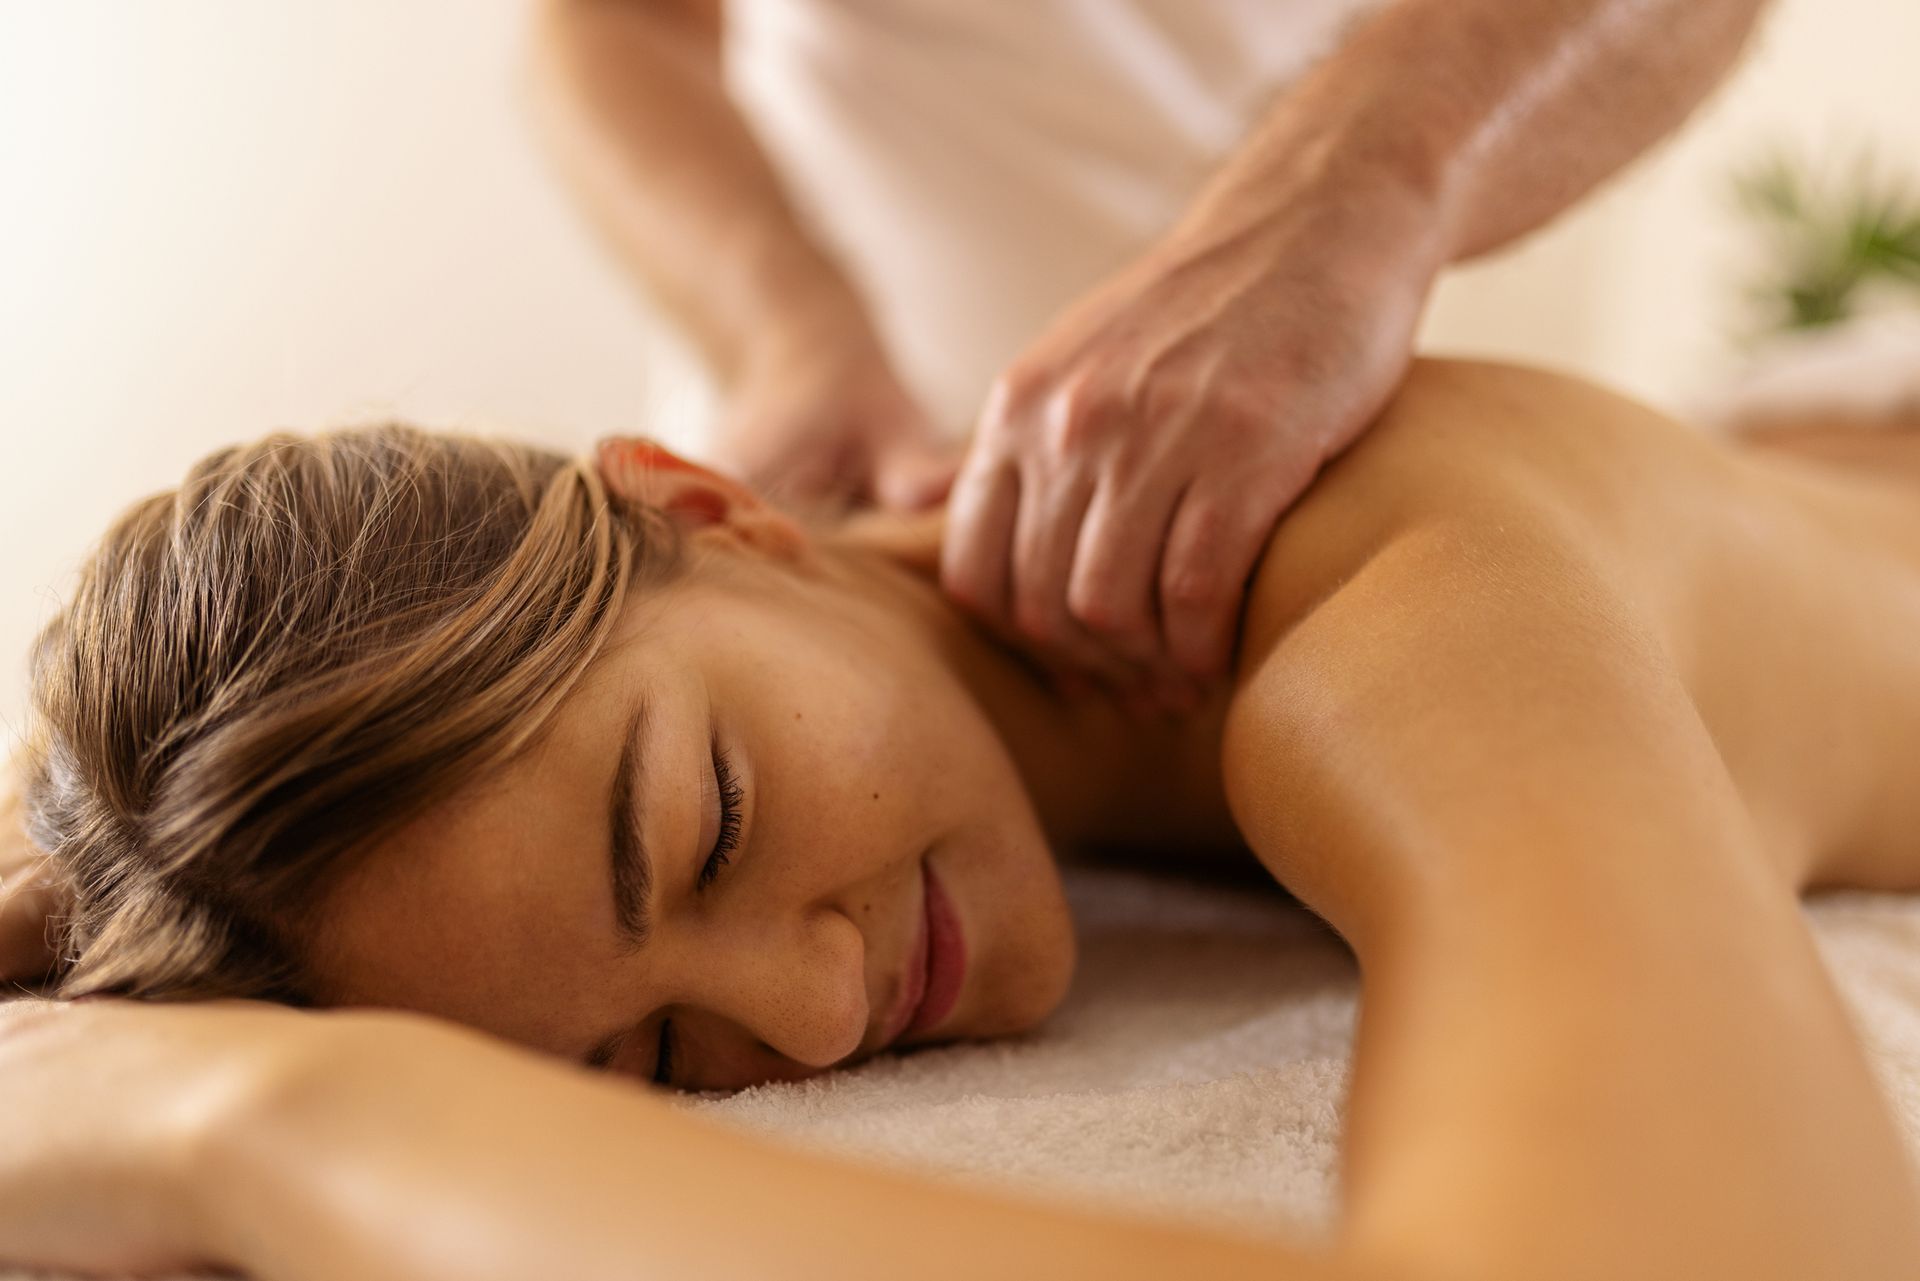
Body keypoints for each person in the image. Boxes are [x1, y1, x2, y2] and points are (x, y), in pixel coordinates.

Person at [2, 357, 1919, 1278]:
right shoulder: (1020, 595)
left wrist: (250, 1125)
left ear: (709, 505)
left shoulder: (1398, 627)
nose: (821, 1020)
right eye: (661, 1062)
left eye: (714, 825)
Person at [532, 0, 1770, 708]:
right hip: (833, 462)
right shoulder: (724, 666)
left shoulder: (1425, 635)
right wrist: (784, 332)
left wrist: (1356, 198)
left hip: (1395, 466)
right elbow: (622, 18)